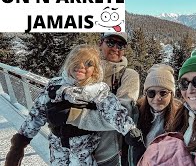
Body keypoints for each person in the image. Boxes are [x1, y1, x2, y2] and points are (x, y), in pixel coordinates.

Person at [5, 44, 140, 166]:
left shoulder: (96, 90)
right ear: (69, 63)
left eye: (88, 64)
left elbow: (113, 111)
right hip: (57, 146)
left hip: (82, 149)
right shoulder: (55, 86)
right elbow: (37, 115)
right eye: (77, 61)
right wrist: (20, 143)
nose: (81, 66)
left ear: (95, 70)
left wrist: (128, 129)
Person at [59, 32, 140, 166]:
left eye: (120, 45)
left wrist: (73, 115)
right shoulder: (84, 69)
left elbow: (122, 113)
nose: (115, 48)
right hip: (71, 151)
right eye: (110, 42)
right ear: (100, 43)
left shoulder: (128, 75)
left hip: (106, 155)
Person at [127, 64, 182, 165]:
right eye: (151, 93)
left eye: (163, 93)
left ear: (171, 94)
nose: (157, 98)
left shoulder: (181, 117)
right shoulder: (135, 114)